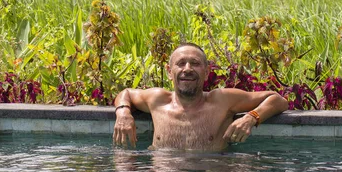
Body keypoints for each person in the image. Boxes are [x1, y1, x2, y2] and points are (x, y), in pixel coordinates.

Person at [112, 43, 289, 151]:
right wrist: (123, 114)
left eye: (195, 64)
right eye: (181, 63)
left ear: (206, 72)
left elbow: (278, 100)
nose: (187, 69)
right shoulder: (157, 100)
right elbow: (125, 93)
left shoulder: (222, 100)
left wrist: (251, 118)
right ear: (169, 72)